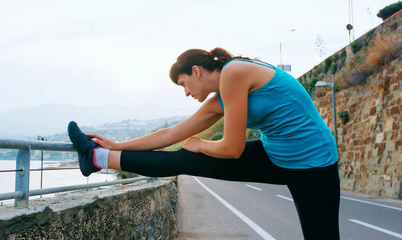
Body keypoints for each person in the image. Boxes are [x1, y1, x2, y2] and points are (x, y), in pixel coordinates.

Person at [68, 47, 340, 240]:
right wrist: (117, 145)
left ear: (196, 71)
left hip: (313, 164)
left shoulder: (234, 72)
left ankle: (98, 157)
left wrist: (200, 145)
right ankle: (97, 158)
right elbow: (170, 135)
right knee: (184, 157)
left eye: (184, 84)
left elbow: (233, 149)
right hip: (276, 154)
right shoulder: (218, 99)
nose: (186, 93)